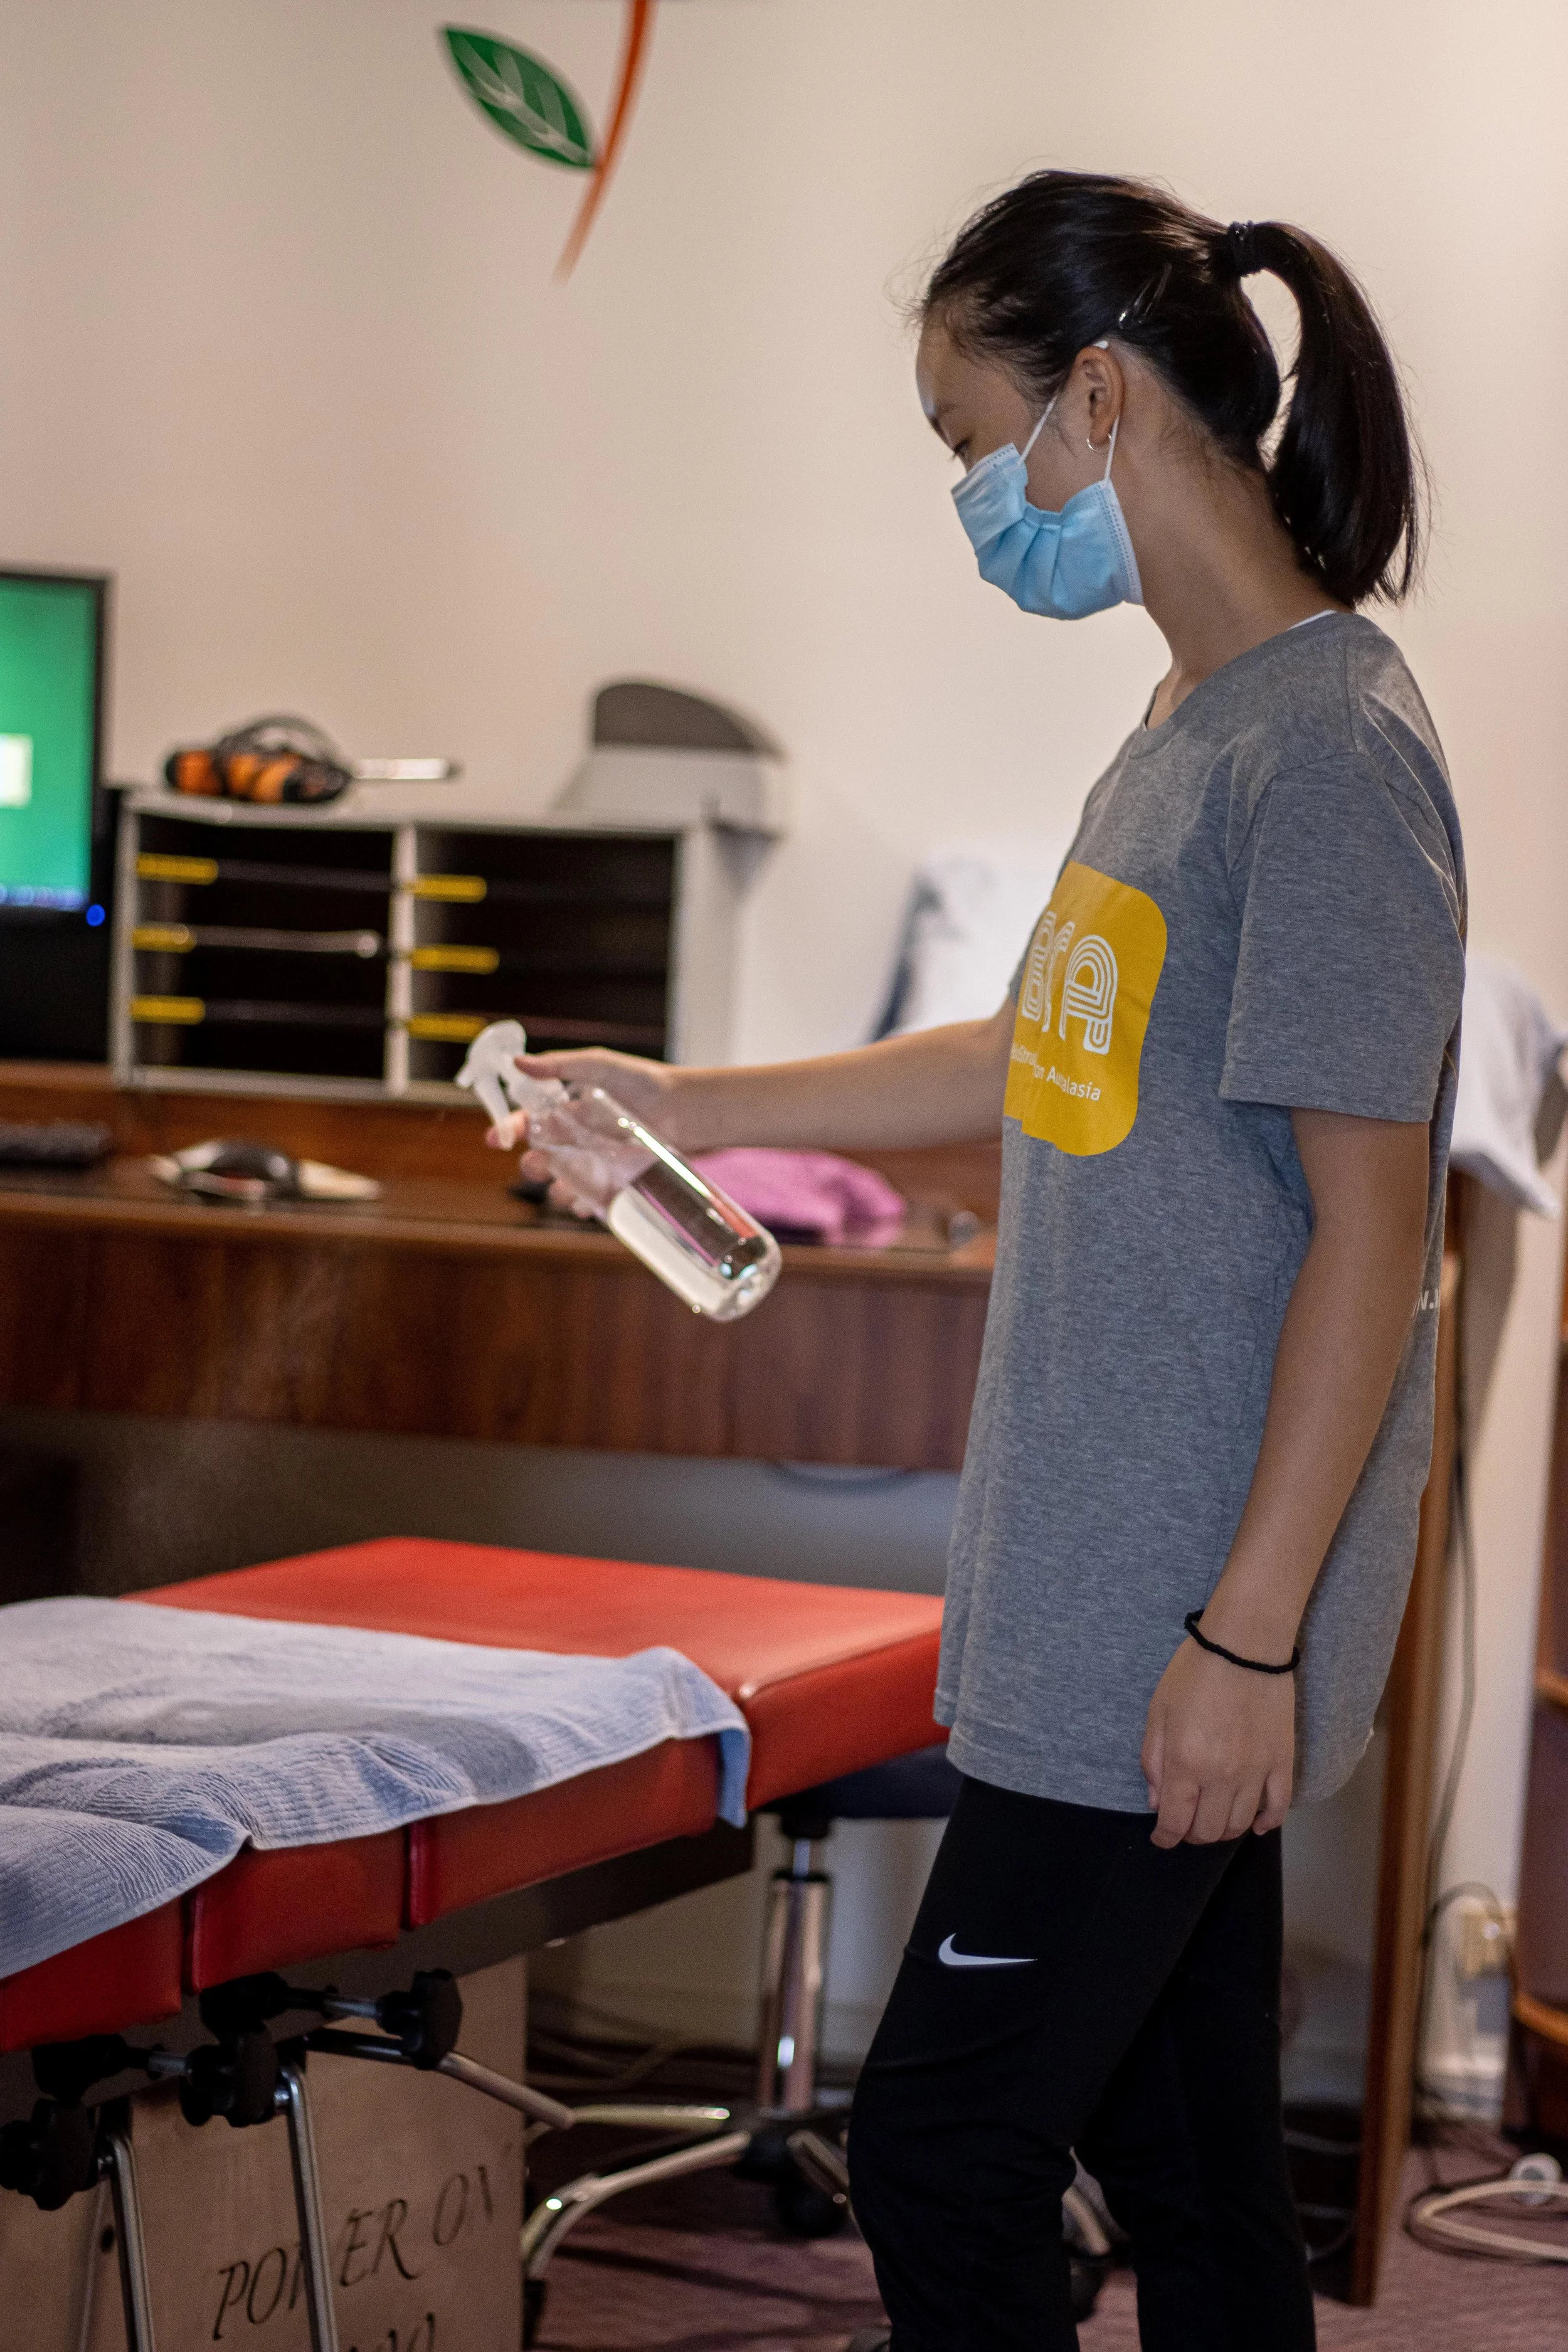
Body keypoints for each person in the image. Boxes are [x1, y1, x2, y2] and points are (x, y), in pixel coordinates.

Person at [494, 172, 1465, 2351]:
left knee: (941, 2143)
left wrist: (1243, 1637)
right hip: (1102, 1592)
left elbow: (1374, 1237)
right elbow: (1039, 1049)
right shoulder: (1186, 726)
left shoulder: (1322, 752)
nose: (971, 497)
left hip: (1166, 1631)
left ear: (1096, 400)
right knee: (1198, 2164)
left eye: (970, 439)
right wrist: (697, 1100)